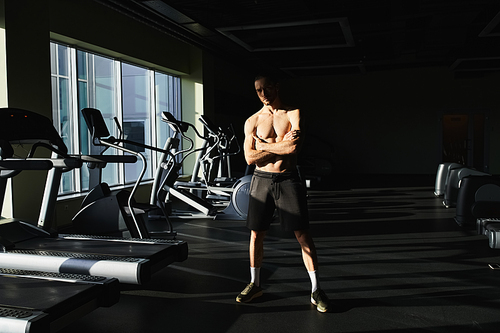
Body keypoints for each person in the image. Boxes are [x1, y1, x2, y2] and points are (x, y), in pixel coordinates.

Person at [235, 74, 330, 313]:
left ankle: (316, 289)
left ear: (276, 87)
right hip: (261, 180)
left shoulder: (293, 113)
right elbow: (249, 158)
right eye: (258, 90)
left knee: (303, 235)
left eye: (267, 88)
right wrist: (279, 147)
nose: (263, 94)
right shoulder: (252, 121)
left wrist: (263, 145)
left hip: (288, 179)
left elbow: (293, 147)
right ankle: (255, 284)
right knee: (256, 235)